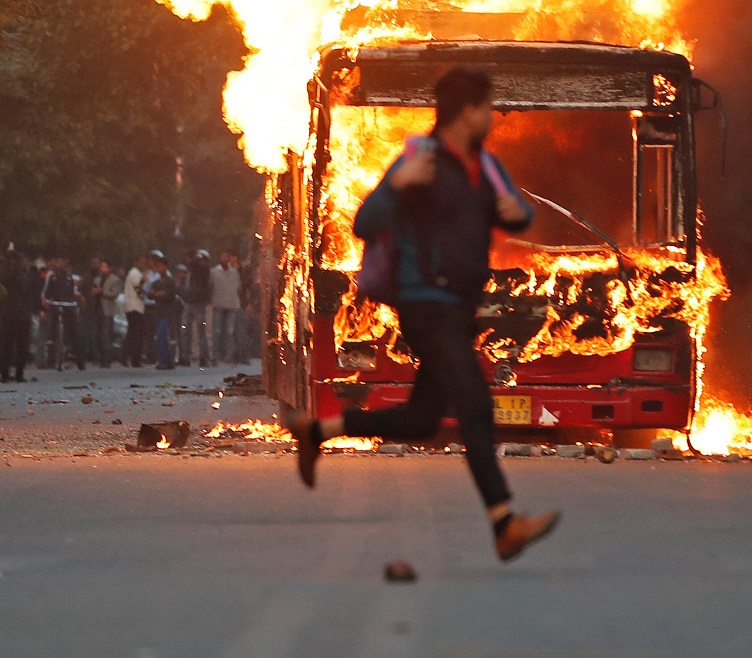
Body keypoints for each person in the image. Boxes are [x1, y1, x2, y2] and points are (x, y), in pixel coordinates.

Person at [284, 67, 561, 562]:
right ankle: (504, 522)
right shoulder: (419, 157)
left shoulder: (486, 167)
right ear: (468, 111)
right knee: (475, 404)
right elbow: (364, 221)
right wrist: (397, 187)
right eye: (487, 109)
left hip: (460, 307)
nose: (493, 119)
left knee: (421, 419)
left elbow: (520, 211)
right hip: (424, 305)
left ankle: (318, 430)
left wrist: (516, 214)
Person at [41, 256, 85, 370]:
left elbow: (73, 293)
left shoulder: (69, 277)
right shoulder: (52, 276)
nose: (61, 263)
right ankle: (51, 360)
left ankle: (78, 359)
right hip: (55, 306)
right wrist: (48, 302)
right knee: (52, 332)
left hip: (68, 307)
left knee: (73, 332)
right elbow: (46, 293)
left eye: (63, 261)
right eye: (59, 261)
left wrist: (74, 302)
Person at [0, 249, 31, 383]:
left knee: (13, 346)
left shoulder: (17, 276)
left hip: (15, 314)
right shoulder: (12, 275)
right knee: (13, 346)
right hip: (14, 314)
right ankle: (12, 374)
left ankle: (10, 374)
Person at [179, 249, 211, 368]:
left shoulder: (202, 268)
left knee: (199, 330)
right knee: (185, 329)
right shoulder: (189, 272)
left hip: (198, 303)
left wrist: (196, 259)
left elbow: (202, 270)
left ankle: (203, 357)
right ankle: (186, 356)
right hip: (189, 302)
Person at [210, 250, 241, 365]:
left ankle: (229, 356)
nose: (224, 259)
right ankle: (215, 356)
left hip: (232, 304)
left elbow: (238, 287)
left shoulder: (234, 272)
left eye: (226, 257)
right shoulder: (213, 272)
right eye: (222, 257)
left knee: (230, 332)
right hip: (218, 304)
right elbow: (210, 286)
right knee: (217, 331)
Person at [147, 253, 177, 370]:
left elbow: (170, 295)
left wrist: (159, 294)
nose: (160, 269)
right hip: (158, 313)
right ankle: (165, 360)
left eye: (161, 266)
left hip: (168, 313)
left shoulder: (170, 282)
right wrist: (157, 294)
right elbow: (150, 294)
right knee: (160, 336)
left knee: (161, 334)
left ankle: (165, 360)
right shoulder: (156, 282)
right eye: (157, 267)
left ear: (166, 266)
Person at [122, 253, 149, 369]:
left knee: (134, 333)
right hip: (134, 307)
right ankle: (132, 358)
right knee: (135, 334)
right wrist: (144, 283)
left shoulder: (136, 273)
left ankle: (131, 357)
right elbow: (138, 289)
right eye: (141, 262)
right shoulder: (135, 273)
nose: (143, 264)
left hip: (136, 307)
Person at [95, 260, 122, 367]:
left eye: (105, 266)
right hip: (97, 309)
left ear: (109, 268)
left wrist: (102, 292)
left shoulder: (115, 280)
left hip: (107, 310)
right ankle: (99, 358)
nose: (102, 269)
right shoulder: (97, 279)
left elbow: (114, 293)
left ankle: (107, 359)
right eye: (101, 266)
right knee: (97, 335)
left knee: (106, 335)